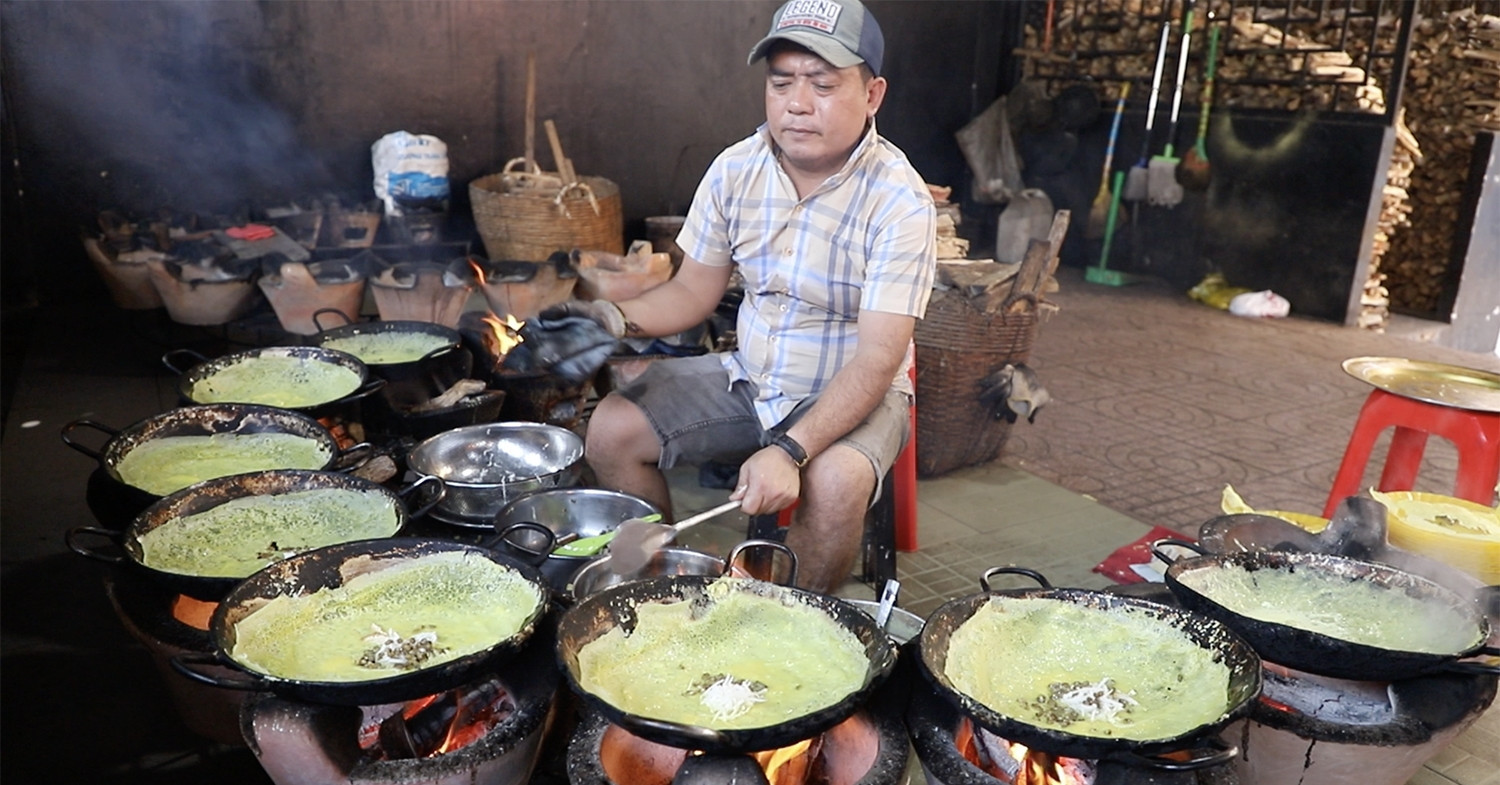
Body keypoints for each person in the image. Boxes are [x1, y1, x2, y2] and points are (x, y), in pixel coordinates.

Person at [546, 0, 936, 594]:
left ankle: (788, 624)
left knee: (833, 482)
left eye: (823, 85)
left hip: (856, 392)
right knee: (612, 427)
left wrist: (789, 450)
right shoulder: (736, 170)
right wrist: (610, 317)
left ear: (873, 94)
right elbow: (689, 292)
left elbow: (879, 358)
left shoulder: (899, 202)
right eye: (781, 83)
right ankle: (660, 588)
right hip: (752, 377)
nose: (797, 104)